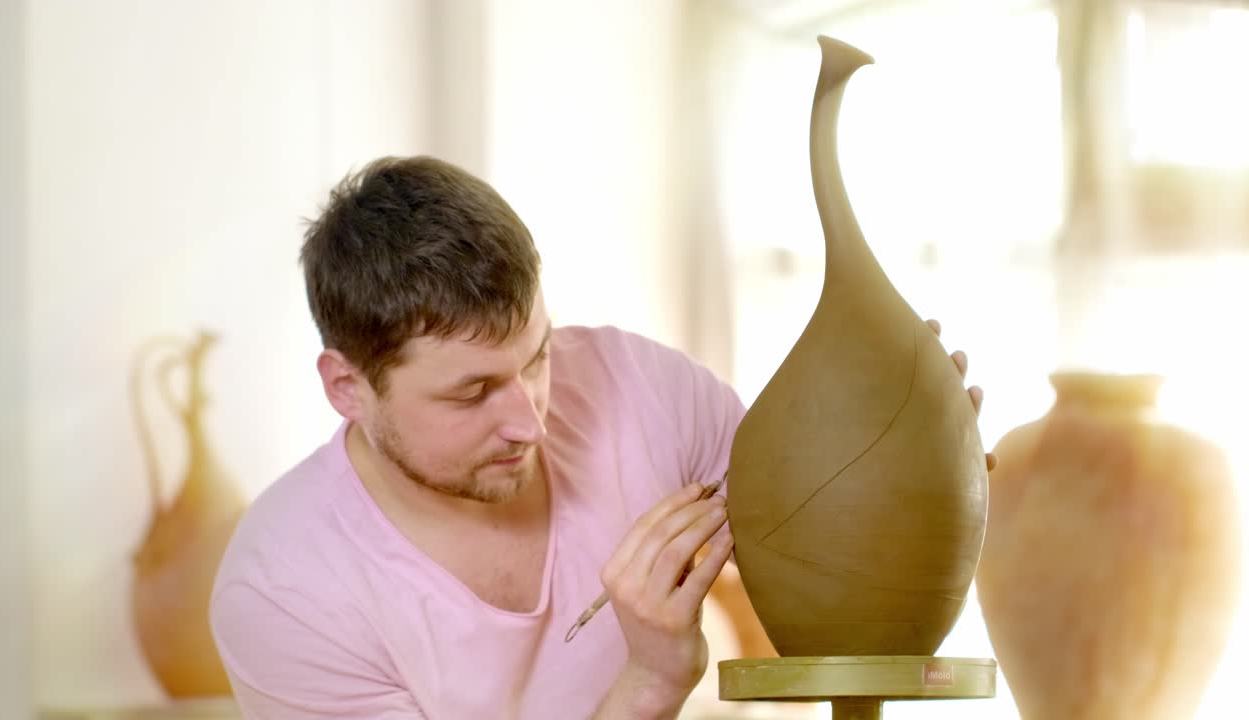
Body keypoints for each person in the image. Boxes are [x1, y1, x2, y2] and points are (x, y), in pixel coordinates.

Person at [209, 155, 991, 719]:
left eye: (538, 357)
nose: (529, 419)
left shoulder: (637, 385)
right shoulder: (286, 591)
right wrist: (648, 683)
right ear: (347, 387)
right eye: (472, 392)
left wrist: (909, 458)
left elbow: (827, 532)